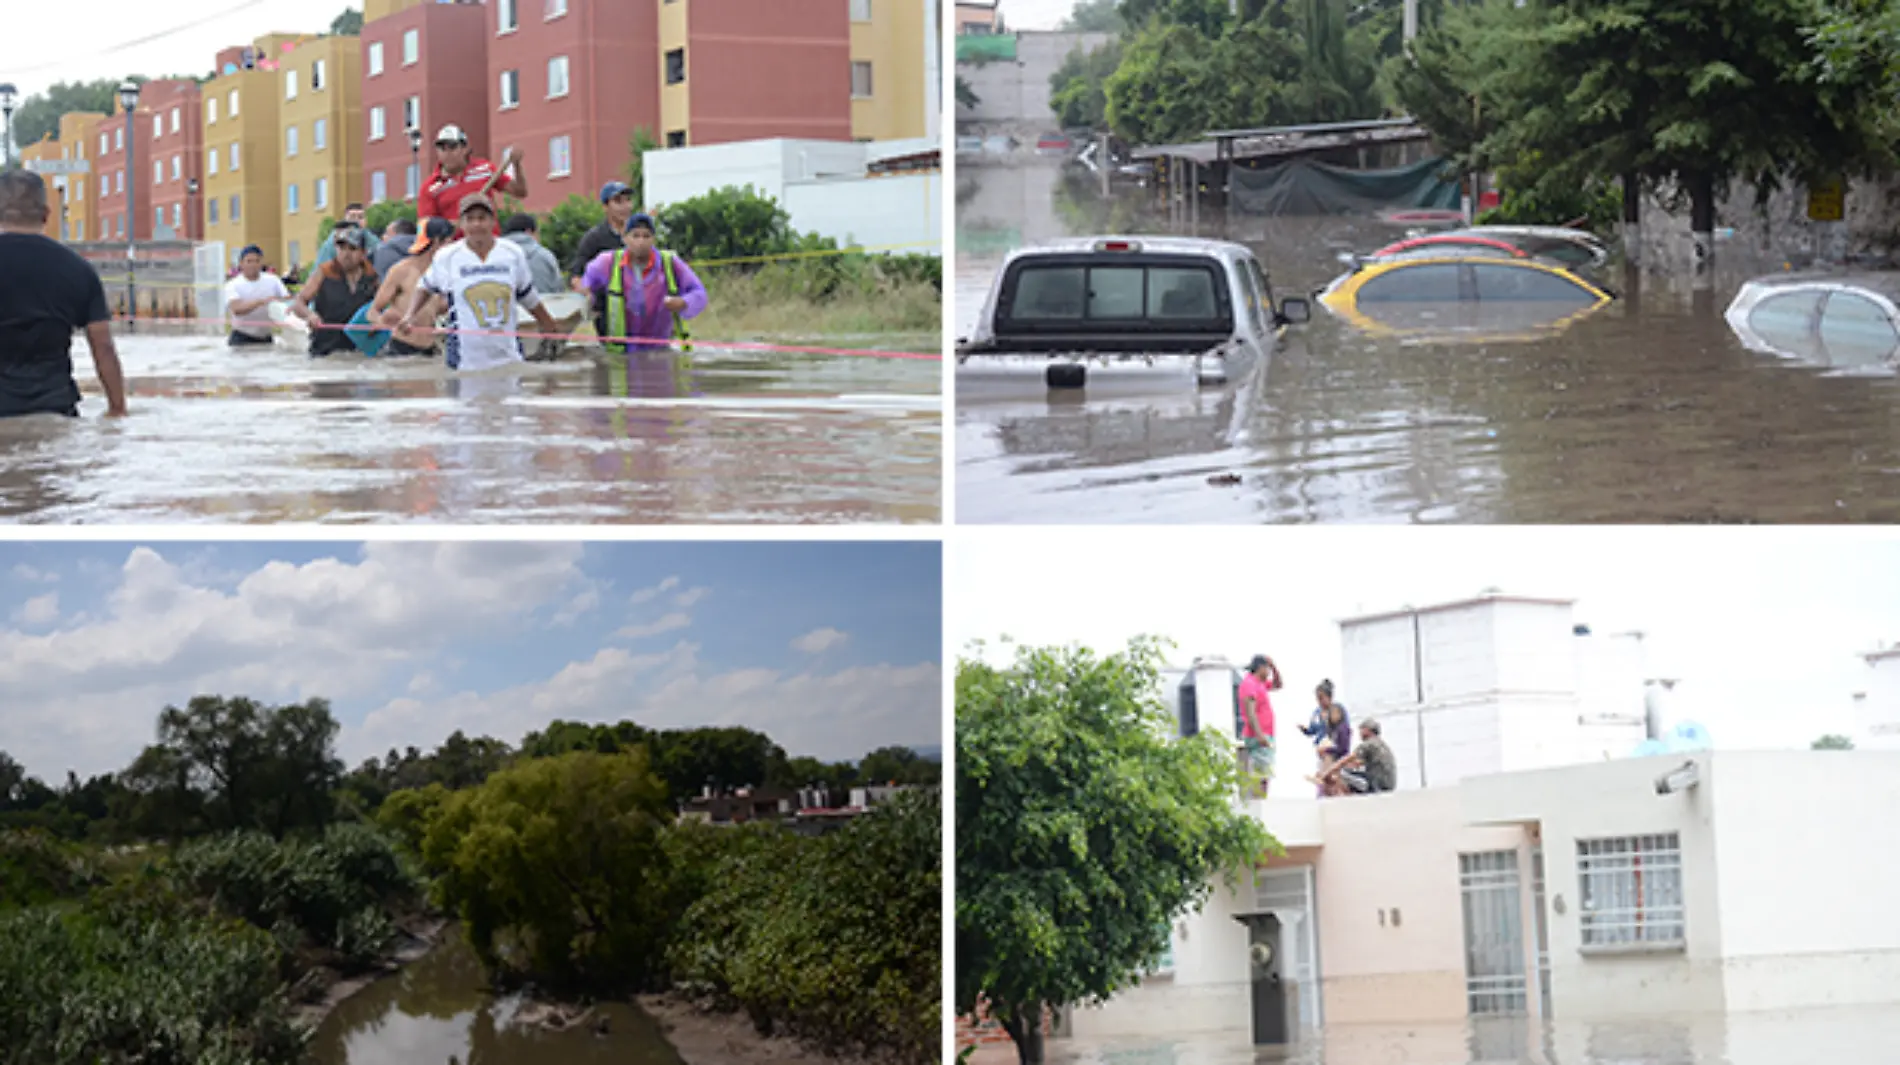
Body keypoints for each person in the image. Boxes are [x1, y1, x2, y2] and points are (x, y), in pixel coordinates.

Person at [0, 170, 128, 418]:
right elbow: (103, 347)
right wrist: (117, 409)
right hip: (54, 408)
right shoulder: (78, 268)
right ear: (47, 214)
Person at [400, 193, 566, 370]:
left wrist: (547, 324)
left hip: (508, 357)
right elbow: (425, 287)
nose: (477, 224)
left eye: (482, 218)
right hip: (463, 361)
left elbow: (527, 295)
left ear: (493, 222)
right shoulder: (447, 256)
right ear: (461, 224)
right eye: (470, 219)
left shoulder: (512, 253)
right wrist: (409, 316)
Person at [580, 212, 707, 353]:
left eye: (646, 236)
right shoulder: (607, 262)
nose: (641, 242)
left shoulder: (670, 263)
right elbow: (585, 286)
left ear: (653, 239)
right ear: (625, 238)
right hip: (619, 353)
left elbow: (699, 293)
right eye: (635, 235)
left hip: (660, 351)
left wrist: (683, 302)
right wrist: (589, 298)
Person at [365, 218, 455, 357]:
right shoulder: (401, 271)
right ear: (437, 242)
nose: (453, 246)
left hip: (430, 351)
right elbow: (372, 312)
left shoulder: (444, 273)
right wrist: (384, 322)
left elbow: (436, 309)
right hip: (401, 349)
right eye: (450, 241)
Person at [417, 125, 527, 238]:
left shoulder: (485, 169)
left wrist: (516, 165)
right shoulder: (430, 187)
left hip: (490, 242)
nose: (447, 153)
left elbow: (520, 192)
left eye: (452, 147)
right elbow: (425, 226)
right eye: (442, 148)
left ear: (465, 148)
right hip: (457, 248)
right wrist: (452, 225)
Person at [288, 226, 379, 357]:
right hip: (325, 350)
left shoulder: (372, 276)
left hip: (360, 350)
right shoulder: (324, 272)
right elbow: (299, 302)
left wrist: (379, 320)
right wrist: (309, 315)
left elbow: (385, 306)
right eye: (342, 248)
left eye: (352, 249)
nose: (346, 254)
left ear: (363, 253)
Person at [223, 244, 290, 348]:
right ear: (241, 264)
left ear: (261, 263)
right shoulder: (233, 285)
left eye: (257, 261)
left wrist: (277, 302)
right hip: (241, 338)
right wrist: (261, 302)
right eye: (249, 261)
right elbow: (237, 309)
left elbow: (287, 300)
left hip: (266, 338)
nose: (253, 265)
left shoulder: (273, 280)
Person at [569, 181, 634, 283]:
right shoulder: (594, 238)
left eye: (628, 200)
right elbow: (576, 278)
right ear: (605, 207)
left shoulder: (639, 234)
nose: (625, 206)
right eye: (618, 201)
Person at [1237, 653, 1282, 797]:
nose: (1268, 672)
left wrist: (1274, 667)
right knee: (1260, 773)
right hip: (1258, 735)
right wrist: (1260, 734)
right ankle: (1259, 802)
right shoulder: (1250, 684)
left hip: (1266, 733)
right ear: (1260, 668)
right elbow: (1251, 712)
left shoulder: (1260, 684)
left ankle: (1262, 799)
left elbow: (1278, 684)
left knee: (1265, 773)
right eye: (1267, 669)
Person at [1321, 720, 1398, 796]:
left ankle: (1345, 798)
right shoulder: (1381, 744)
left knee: (1341, 773)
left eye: (1361, 729)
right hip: (1390, 784)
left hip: (1378, 785)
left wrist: (1326, 773)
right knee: (1347, 772)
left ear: (1367, 730)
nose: (1359, 733)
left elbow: (1345, 760)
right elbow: (1357, 763)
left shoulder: (1368, 744)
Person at [501, 213, 564, 294]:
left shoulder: (495, 255)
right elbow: (559, 289)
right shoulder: (545, 255)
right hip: (545, 304)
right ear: (529, 232)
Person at [316, 203, 381, 265]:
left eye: (360, 217)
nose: (356, 221)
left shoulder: (374, 242)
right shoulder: (331, 243)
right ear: (345, 219)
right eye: (352, 217)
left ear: (366, 221)